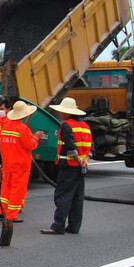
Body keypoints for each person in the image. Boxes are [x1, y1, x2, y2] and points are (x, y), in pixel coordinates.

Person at [41, 97, 91, 235]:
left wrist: (78, 159)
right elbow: (89, 147)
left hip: (69, 165)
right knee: (77, 196)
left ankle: (58, 225)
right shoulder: (85, 126)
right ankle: (74, 227)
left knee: (62, 195)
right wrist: (84, 160)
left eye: (63, 112)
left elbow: (70, 146)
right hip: (81, 167)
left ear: (67, 113)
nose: (61, 114)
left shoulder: (67, 125)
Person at [0, 100, 46, 223]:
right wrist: (36, 137)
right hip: (20, 164)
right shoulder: (23, 129)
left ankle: (1, 210)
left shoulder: (5, 126)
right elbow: (30, 145)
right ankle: (12, 214)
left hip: (7, 163)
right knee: (17, 189)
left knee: (6, 187)